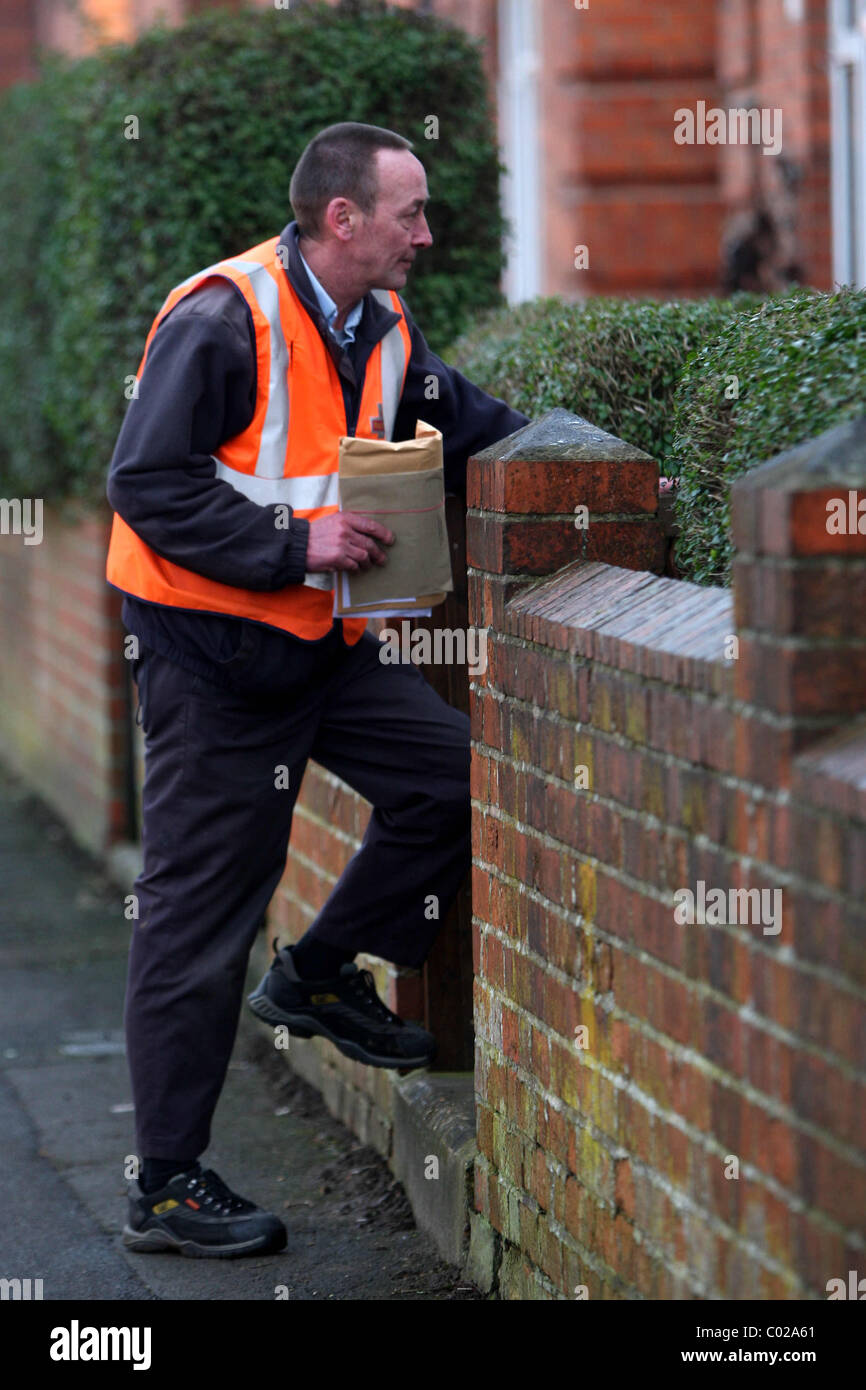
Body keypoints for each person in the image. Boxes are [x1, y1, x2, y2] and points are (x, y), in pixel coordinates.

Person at [105, 122, 529, 1259]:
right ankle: (166, 1186)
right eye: (410, 213)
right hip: (212, 661)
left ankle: (321, 971)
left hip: (317, 648)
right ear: (342, 219)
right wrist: (297, 539)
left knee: (454, 782)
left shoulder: (382, 324)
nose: (425, 234)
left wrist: (596, 463)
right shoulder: (222, 317)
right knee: (199, 916)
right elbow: (144, 480)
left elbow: (466, 421)